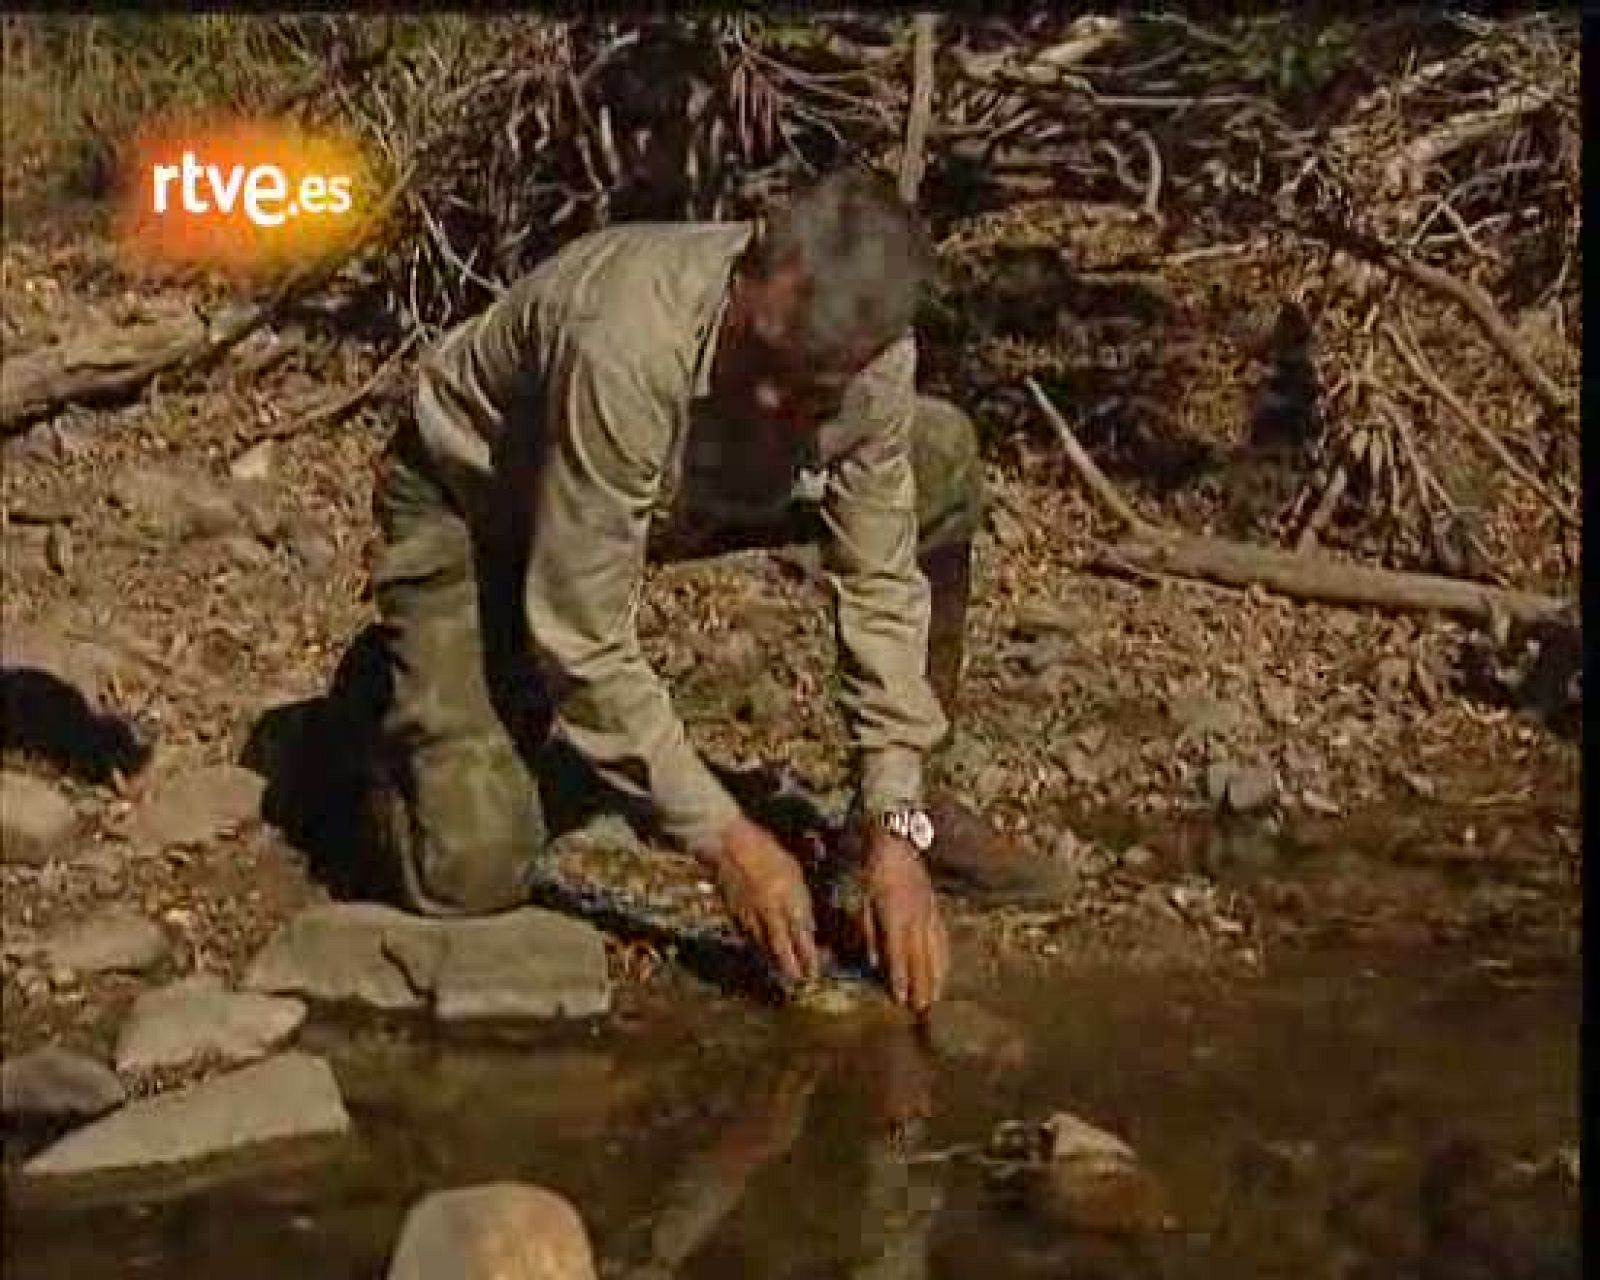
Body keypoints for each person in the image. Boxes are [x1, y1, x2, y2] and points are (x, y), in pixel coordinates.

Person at [357, 168, 1073, 1013]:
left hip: (670, 500)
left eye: (812, 391)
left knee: (940, 455)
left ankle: (901, 825)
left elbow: (881, 583)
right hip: (479, 505)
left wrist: (893, 817)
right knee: (471, 870)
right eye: (762, 356)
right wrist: (729, 842)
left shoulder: (875, 362)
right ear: (751, 261)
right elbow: (585, 636)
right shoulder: (624, 336)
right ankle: (385, 700)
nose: (773, 398)